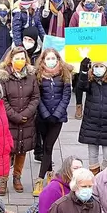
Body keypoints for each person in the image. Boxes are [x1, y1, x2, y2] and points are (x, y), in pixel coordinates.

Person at [0, 47, 39, 193]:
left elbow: (35, 97)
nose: (20, 61)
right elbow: (2, 99)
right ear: (11, 60)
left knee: (22, 150)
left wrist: (26, 114)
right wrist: (15, 116)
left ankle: (17, 177)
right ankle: (3, 179)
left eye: (22, 58)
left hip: (27, 121)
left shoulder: (31, 76)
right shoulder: (3, 77)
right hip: (8, 121)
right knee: (6, 151)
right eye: (17, 58)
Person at [34, 49, 73, 193]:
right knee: (45, 147)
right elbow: (37, 96)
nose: (51, 61)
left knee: (48, 147)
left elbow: (66, 96)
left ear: (58, 59)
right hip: (42, 118)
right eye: (48, 58)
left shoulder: (65, 73)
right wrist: (45, 114)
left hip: (57, 118)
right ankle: (50, 173)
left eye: (53, 58)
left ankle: (39, 179)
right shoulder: (37, 75)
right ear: (43, 60)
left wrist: (56, 114)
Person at [78, 60, 107, 170]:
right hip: (91, 125)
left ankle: (103, 175)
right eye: (96, 66)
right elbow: (81, 86)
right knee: (92, 156)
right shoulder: (90, 82)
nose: (98, 69)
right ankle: (94, 179)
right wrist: (84, 71)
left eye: (101, 66)